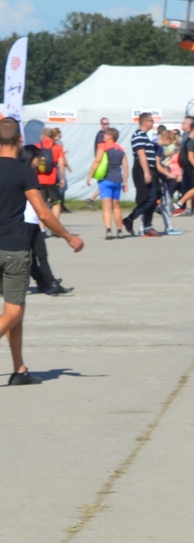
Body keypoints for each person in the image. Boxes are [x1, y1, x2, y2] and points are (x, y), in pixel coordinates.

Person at [0, 117, 84, 385]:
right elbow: (44, 213)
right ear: (20, 140)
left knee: (17, 310)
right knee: (13, 311)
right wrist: (69, 237)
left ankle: (19, 369)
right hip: (13, 248)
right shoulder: (24, 172)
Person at [18, 145, 71, 296]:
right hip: (25, 220)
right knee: (27, 257)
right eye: (37, 157)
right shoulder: (24, 174)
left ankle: (49, 282)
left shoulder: (31, 173)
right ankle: (44, 282)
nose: (40, 160)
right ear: (30, 157)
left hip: (35, 220)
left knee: (41, 255)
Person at [122, 112, 161, 238]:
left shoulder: (145, 136)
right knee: (148, 198)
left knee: (154, 198)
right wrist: (146, 172)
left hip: (150, 169)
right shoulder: (138, 135)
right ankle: (130, 219)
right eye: (151, 120)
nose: (153, 123)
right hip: (142, 169)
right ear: (145, 122)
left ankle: (147, 226)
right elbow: (141, 155)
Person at [90, 127, 129, 239]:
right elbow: (125, 166)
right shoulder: (121, 149)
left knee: (106, 207)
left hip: (106, 179)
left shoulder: (103, 146)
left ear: (111, 136)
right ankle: (120, 231)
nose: (104, 136)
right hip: (117, 179)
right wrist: (125, 182)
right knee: (116, 206)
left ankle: (108, 231)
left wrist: (90, 176)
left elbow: (97, 161)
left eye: (106, 134)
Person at [34, 127, 66, 221]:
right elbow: (61, 164)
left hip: (39, 179)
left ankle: (41, 227)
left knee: (42, 203)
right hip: (52, 179)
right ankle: (54, 224)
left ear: (42, 136)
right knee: (56, 202)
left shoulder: (37, 146)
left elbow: (33, 163)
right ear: (52, 136)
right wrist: (62, 178)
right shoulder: (58, 147)